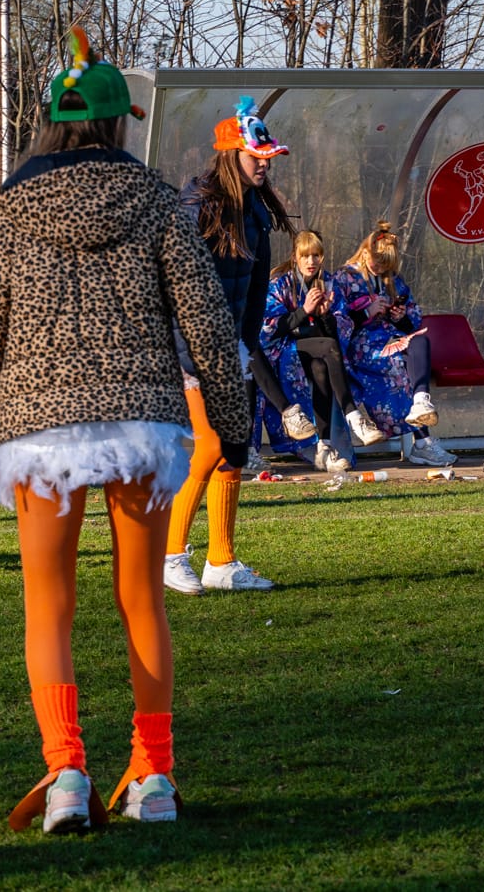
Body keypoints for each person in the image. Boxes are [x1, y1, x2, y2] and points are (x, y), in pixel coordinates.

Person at [0, 28, 248, 831]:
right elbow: (208, 321)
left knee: (48, 605)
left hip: (39, 428)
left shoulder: (10, 210)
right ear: (120, 122)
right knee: (142, 597)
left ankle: (66, 775)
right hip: (143, 424)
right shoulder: (155, 200)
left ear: (51, 120)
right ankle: (154, 775)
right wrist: (232, 422)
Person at [165, 96, 295, 595]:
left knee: (232, 451)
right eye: (255, 156)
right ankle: (169, 554)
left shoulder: (255, 210)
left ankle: (221, 562)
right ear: (229, 155)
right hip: (190, 348)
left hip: (229, 347)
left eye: (268, 157)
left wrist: (245, 346)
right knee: (211, 444)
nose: (264, 164)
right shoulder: (197, 206)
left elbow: (255, 287)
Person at [334, 222, 455, 468]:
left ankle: (421, 400)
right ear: (365, 251)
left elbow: (413, 319)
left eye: (386, 263)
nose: (380, 267)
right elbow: (335, 321)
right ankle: (423, 442)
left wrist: (400, 317)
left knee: (420, 340)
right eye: (377, 260)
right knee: (399, 368)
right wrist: (365, 313)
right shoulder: (344, 278)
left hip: (391, 337)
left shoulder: (392, 280)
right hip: (362, 345)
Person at [261, 229, 382, 472]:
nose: (311, 261)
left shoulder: (328, 282)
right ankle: (353, 416)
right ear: (295, 257)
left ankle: (324, 447)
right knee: (328, 349)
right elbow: (270, 328)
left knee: (321, 368)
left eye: (316, 255)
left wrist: (326, 316)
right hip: (282, 349)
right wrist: (304, 311)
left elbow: (340, 328)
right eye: (305, 256)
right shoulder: (280, 282)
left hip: (315, 348)